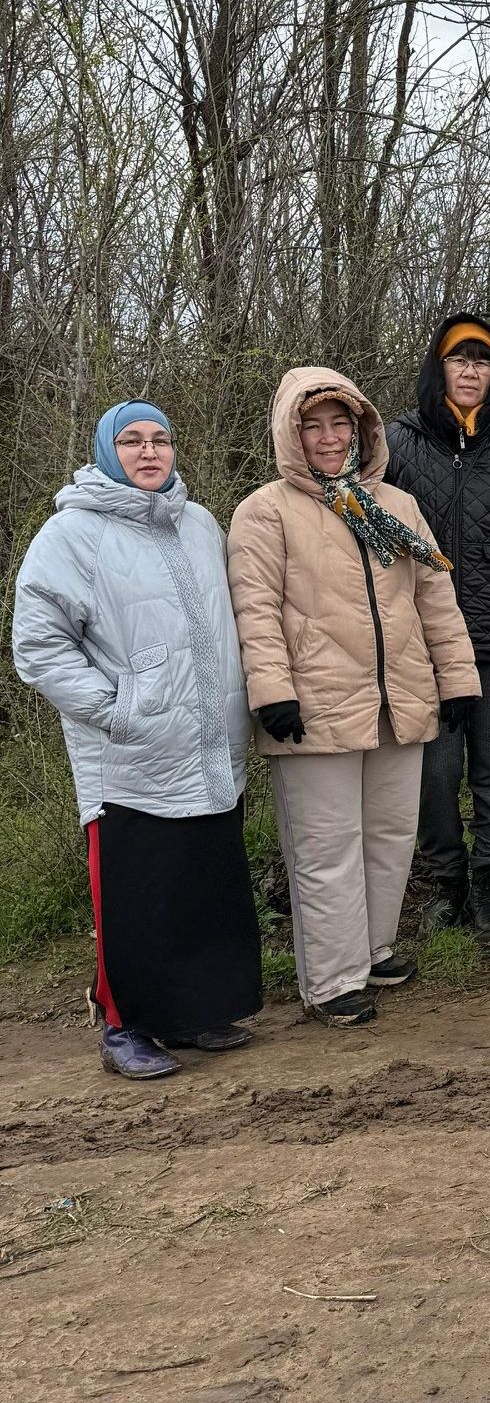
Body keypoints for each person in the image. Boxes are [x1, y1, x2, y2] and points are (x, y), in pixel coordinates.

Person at [12, 403, 260, 1078]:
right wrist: (117, 709)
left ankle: (198, 1011)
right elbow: (38, 646)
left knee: (203, 886)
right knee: (138, 898)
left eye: (160, 439)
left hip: (208, 749)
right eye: (131, 440)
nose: (148, 451)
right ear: (104, 450)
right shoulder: (71, 536)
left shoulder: (200, 523)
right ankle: (125, 1027)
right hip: (127, 757)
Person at [228, 370, 479, 1027]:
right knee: (325, 845)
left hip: (398, 702)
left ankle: (371, 949)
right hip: (312, 707)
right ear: (291, 433)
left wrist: (456, 679)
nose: (329, 437)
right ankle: (332, 979)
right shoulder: (265, 511)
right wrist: (272, 692)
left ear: (362, 429)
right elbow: (253, 610)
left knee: (391, 835)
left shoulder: (394, 506)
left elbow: (436, 600)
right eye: (314, 425)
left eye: (341, 424)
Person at [385, 314, 490, 941]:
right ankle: (446, 882)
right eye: (459, 358)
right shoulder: (396, 442)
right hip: (422, 636)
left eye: (483, 362)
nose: (470, 370)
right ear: (438, 367)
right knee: (435, 770)